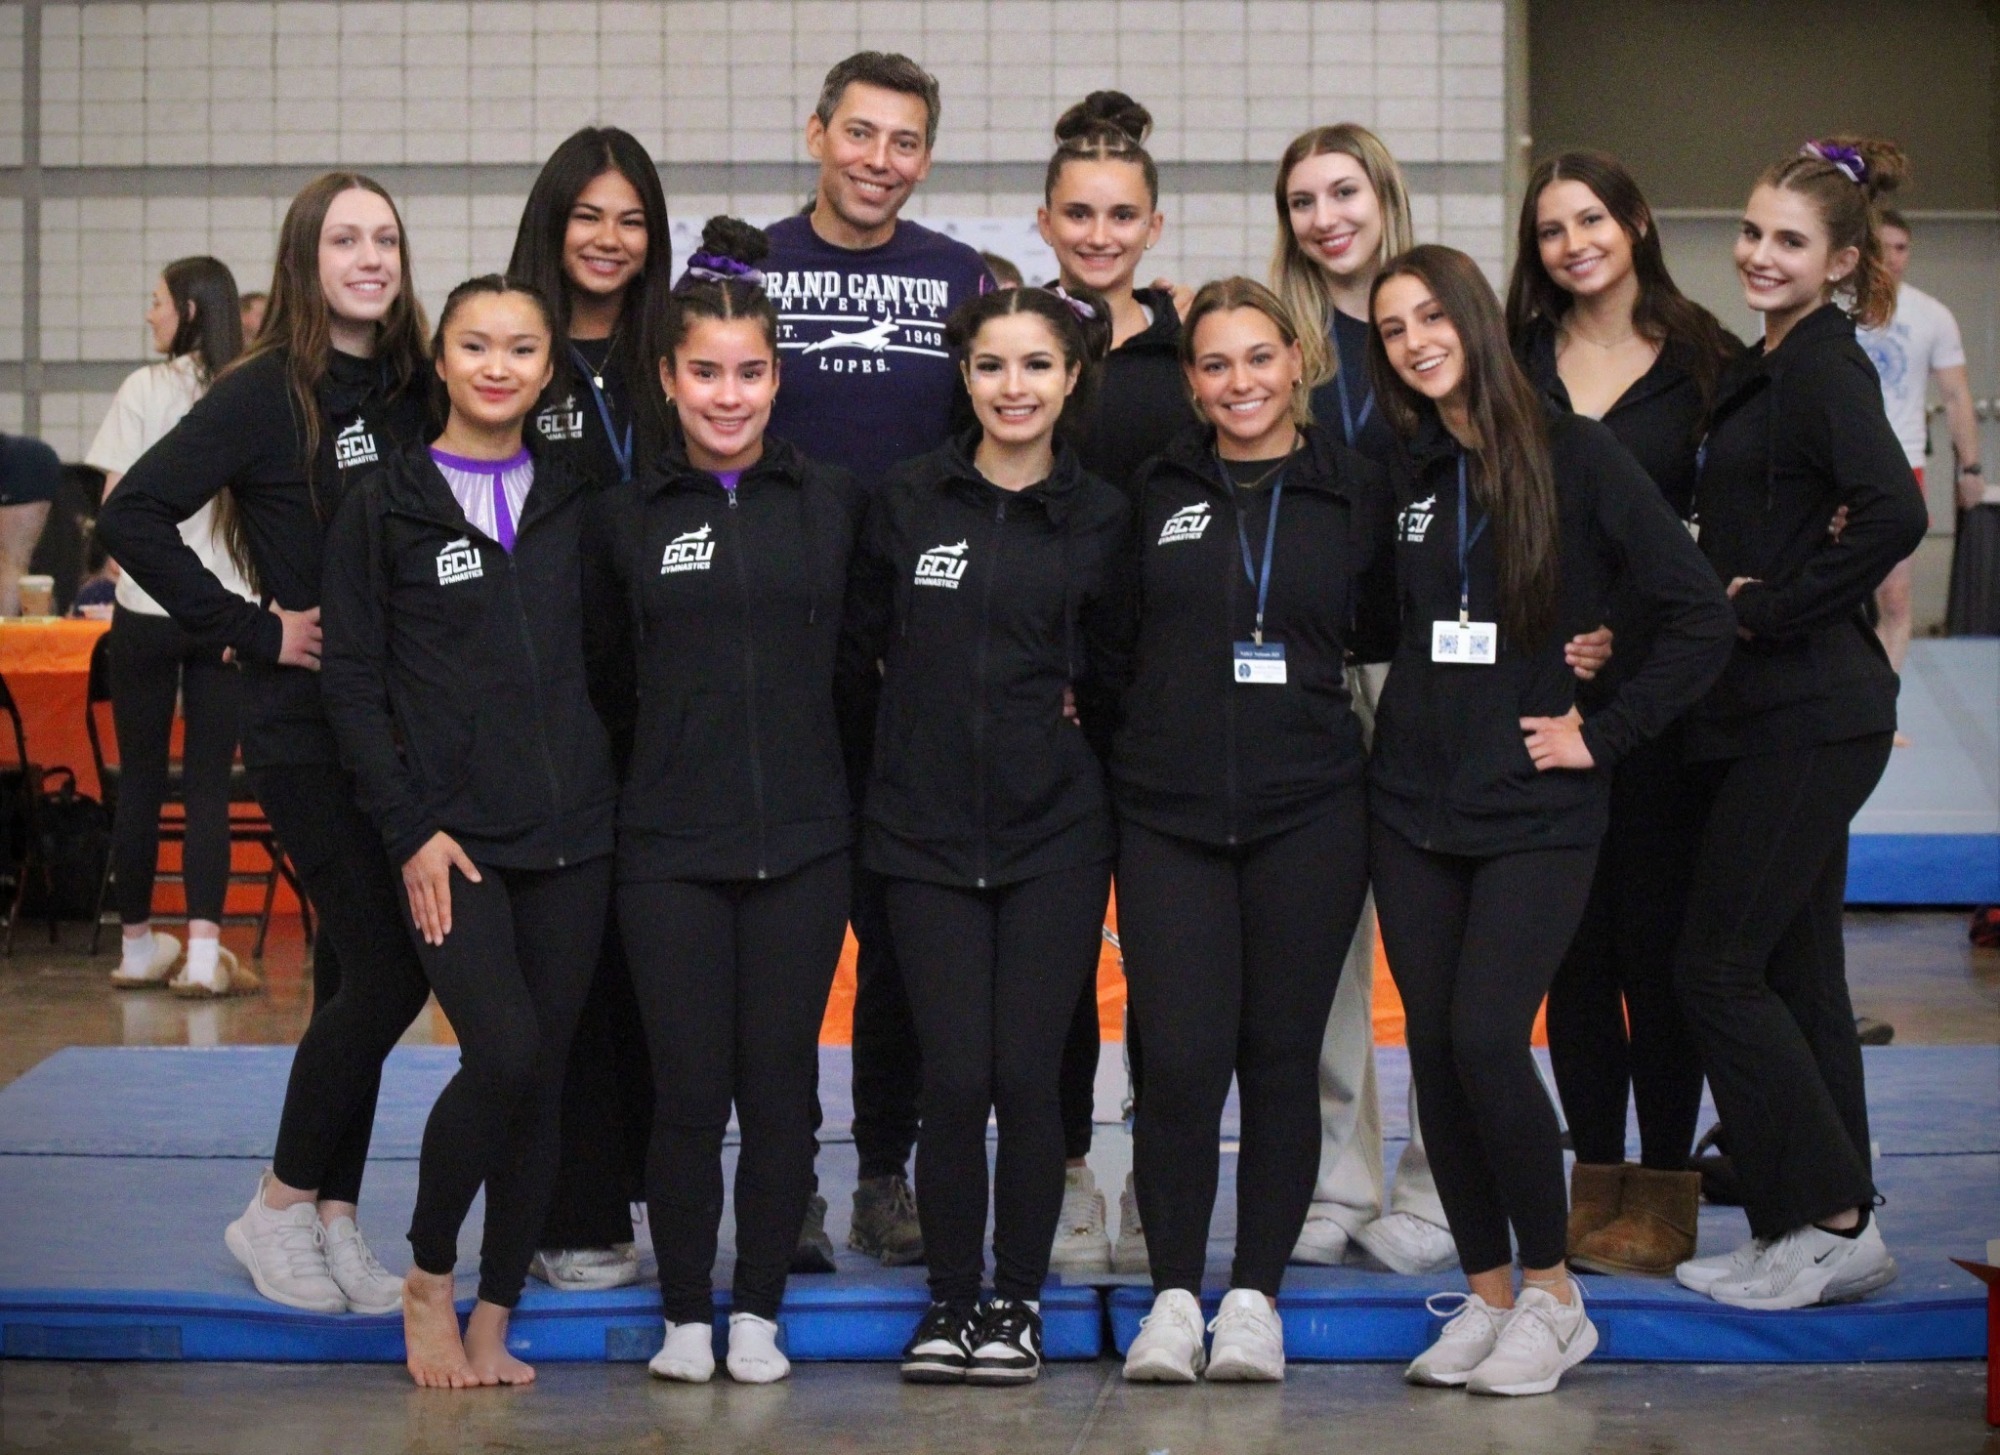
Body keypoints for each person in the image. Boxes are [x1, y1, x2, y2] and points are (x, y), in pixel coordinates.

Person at [1368, 244, 1733, 1396]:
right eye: (1390, 328)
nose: (1415, 339)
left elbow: (1693, 616)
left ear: (1475, 318)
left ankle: (1551, 1295)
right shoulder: (1409, 470)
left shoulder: (1580, 455)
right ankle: (1482, 1297)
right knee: (1434, 1053)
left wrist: (1600, 729)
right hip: (1411, 805)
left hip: (1536, 805)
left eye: (1431, 315)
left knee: (1485, 1037)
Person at [97, 172, 434, 1322]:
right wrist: (251, 627)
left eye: (385, 238)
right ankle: (277, 1205)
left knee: (351, 971)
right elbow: (129, 513)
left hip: (398, 730)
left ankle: (336, 1219)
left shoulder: (411, 388)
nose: (371, 257)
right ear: (305, 257)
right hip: (301, 730)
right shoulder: (261, 394)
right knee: (395, 967)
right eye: (346, 238)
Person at [320, 275, 616, 1387]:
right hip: (455, 845)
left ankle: (496, 1310)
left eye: (522, 349)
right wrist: (408, 830)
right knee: (505, 1050)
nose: (498, 367)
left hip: (577, 835)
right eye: (476, 346)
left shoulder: (576, 496)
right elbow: (351, 684)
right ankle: (428, 1278)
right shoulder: (385, 505)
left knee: (542, 1080)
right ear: (440, 361)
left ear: (548, 370)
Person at [584, 220, 862, 1385]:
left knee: (782, 1088)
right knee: (689, 1091)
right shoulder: (622, 518)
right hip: (667, 851)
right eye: (706, 372)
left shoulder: (831, 504)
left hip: (803, 844)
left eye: (751, 372)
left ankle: (758, 1311)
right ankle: (687, 1314)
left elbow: (863, 666)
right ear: (667, 376)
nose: (729, 395)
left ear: (776, 375)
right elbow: (601, 682)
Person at [841, 283, 1127, 1387]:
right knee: (953, 1075)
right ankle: (951, 1302)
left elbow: (1120, 671)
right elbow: (859, 655)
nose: (1014, 388)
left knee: (1024, 1075)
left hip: (1054, 834)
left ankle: (1017, 1300)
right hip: (917, 835)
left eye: (1037, 367)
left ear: (1069, 380)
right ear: (963, 378)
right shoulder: (907, 500)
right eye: (992, 367)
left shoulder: (1101, 517)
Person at [1113, 279, 1393, 1385]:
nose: (1239, 383)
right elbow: (1114, 635)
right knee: (1178, 1062)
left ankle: (1252, 1299)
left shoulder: (1355, 492)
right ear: (1190, 382)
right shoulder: (1154, 489)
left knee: (1280, 1059)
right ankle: (1175, 1297)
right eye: (1215, 365)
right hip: (1167, 813)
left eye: (1257, 359)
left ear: (1298, 361)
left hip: (1309, 811)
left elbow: (1388, 630)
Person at [1671, 139, 1928, 1312]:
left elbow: (1888, 511)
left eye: (1787, 241)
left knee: (1714, 967)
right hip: (1773, 711)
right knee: (1796, 973)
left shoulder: (1823, 366)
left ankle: (1823, 1213)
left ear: (1835, 263)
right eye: (1750, 231)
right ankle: (1829, 1223)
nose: (1758, 255)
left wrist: (1773, 610)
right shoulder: (1763, 366)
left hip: (1810, 711)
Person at [759, 50, 995, 1270]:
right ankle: (784, 1178)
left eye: (904, 142)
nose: (879, 161)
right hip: (777, 661)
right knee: (790, 932)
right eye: (860, 134)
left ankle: (885, 1171)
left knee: (903, 931)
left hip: (916, 659)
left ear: (925, 157)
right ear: (816, 134)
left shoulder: (963, 283)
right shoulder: (743, 266)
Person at [1506, 151, 1740, 1275]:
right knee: (1574, 959)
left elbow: (1733, 532)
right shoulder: (1516, 363)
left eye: (1589, 219)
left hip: (1664, 701)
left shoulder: (1706, 361)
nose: (1572, 244)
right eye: (1550, 229)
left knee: (1658, 953)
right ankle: (1588, 1181)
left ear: (1635, 220)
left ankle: (1663, 1193)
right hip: (1552, 698)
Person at [1267, 121, 1449, 1277]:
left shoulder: (1432, 326)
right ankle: (1335, 1174)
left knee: (1433, 933)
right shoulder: (1281, 346)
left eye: (1342, 192)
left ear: (1382, 195)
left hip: (1432, 666)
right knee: (1323, 940)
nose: (1325, 216)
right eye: (1301, 201)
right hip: (1314, 669)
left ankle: (1438, 1184)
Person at [507, 124, 674, 1296]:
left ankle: (660, 1186)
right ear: (551, 224)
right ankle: (572, 1204)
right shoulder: (510, 349)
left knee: (653, 958)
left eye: (630, 218)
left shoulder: (675, 350)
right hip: (547, 699)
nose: (609, 240)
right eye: (588, 216)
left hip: (672, 694)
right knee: (561, 964)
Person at [1034, 88, 1188, 1279]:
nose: (1097, 233)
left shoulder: (1185, 350)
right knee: (1054, 960)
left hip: (1164, 696)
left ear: (1151, 222)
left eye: (1118, 214)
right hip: (1046, 700)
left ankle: (1157, 1180)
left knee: (1167, 959)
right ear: (1046, 220)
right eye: (1078, 213)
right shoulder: (1018, 348)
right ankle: (1070, 1172)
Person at [87, 255, 258, 995]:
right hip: (224, 609)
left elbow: (118, 504)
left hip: (147, 610)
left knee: (143, 783)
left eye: (156, 301)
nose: (148, 314)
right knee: (210, 784)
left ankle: (133, 947)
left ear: (189, 308)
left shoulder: (143, 389)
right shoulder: (249, 390)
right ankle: (202, 952)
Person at [1857, 209, 1982, 680]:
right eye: (1882, 247)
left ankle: (1882, 710)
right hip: (1839, 466)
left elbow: (1956, 396)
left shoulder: (1932, 316)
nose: (1891, 258)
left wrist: (1970, 468)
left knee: (1895, 596)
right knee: (1836, 598)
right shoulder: (1836, 307)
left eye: (1901, 248)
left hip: (1902, 463)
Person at [0, 431, 61, 617]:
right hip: (31, 465)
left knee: (11, 560)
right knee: (16, 563)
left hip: (24, 468)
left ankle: (7, 642)